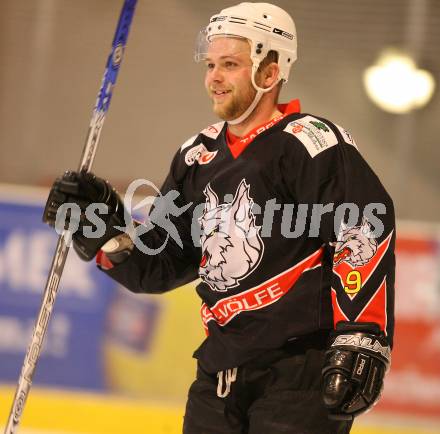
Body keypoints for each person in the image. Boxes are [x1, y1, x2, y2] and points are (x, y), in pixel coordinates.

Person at [43, 2, 395, 433]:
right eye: (211, 64)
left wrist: (363, 334)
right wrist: (109, 237)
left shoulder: (310, 143)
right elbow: (163, 262)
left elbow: (364, 227)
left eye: (229, 64)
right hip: (221, 370)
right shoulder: (197, 155)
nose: (213, 77)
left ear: (269, 73)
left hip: (300, 372)